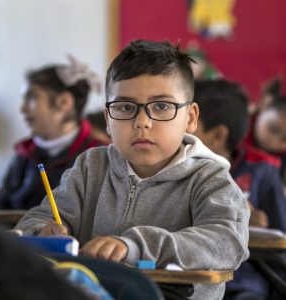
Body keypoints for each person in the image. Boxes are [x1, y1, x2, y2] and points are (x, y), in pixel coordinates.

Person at [15, 40, 249, 300]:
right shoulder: (90, 167)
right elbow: (34, 221)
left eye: (161, 106)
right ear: (107, 120)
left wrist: (135, 245)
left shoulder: (210, 178)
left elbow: (227, 241)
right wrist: (42, 231)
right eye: (125, 107)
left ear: (191, 118)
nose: (142, 122)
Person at [194, 79, 286, 300]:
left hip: (244, 282)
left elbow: (280, 239)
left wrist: (249, 225)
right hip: (187, 278)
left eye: (188, 121)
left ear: (218, 136)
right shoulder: (174, 170)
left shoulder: (263, 170)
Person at [0, 55, 103, 209]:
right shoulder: (24, 154)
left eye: (31, 98)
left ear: (64, 102)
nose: (22, 109)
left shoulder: (97, 156)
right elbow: (1, 208)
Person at [245, 94, 286, 188]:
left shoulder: (279, 164)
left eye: (285, 139)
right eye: (273, 128)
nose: (274, 140)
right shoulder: (236, 130)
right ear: (264, 106)